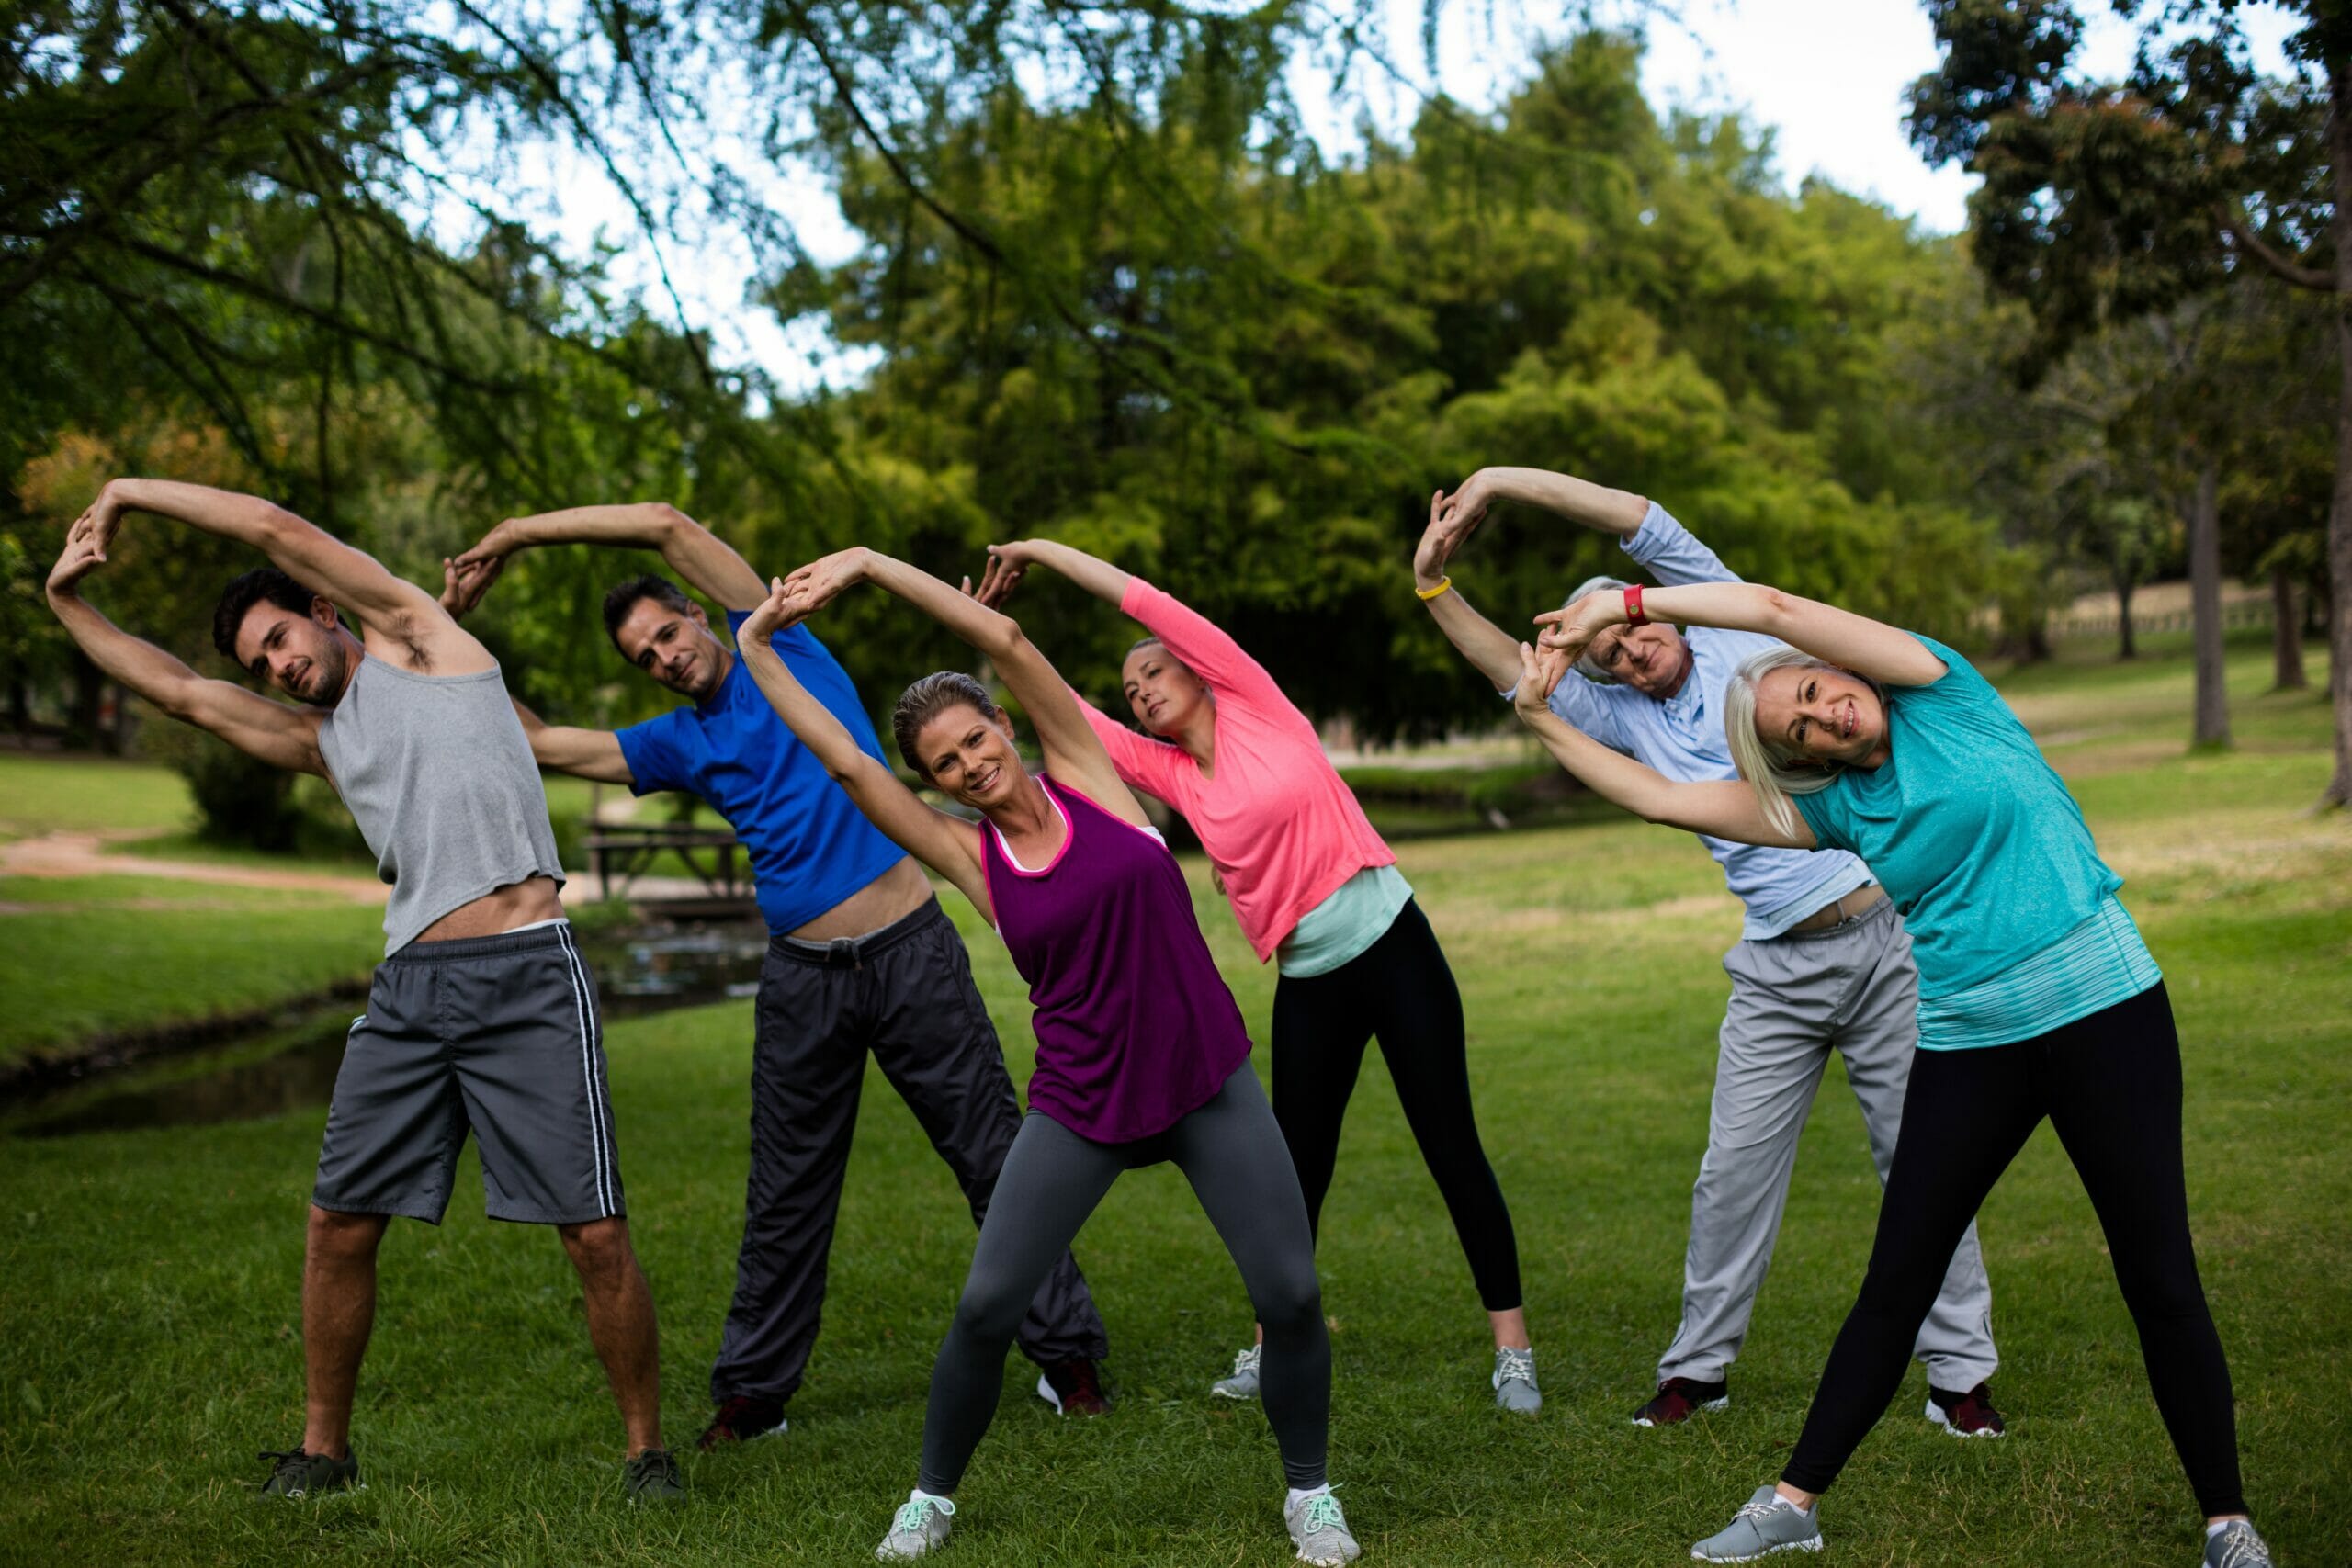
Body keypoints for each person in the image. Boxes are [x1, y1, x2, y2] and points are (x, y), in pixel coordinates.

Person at [1510, 580, 2269, 1568]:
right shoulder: (1833, 814)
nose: (1826, 714)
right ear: (1797, 760)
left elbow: (1776, 613)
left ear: (1842, 675)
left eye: (1819, 692)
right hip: (1966, 1044)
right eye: (1800, 728)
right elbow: (1657, 796)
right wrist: (1535, 714)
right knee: (1895, 1280)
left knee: (2158, 1275)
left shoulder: (1939, 691)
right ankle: (1791, 1506)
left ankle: (2226, 1525)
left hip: (2103, 1012)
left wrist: (1623, 599)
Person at [44, 480, 680, 1504]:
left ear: (324, 611)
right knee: (338, 1220)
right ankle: (324, 1454)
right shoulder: (320, 741)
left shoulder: (421, 641)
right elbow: (178, 694)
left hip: (527, 970)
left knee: (593, 1229)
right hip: (412, 989)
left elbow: (272, 528)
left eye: (282, 639)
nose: (279, 668)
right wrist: (66, 602)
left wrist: (125, 494)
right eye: (262, 664)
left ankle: (647, 1452)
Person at [725, 547, 1358, 1565]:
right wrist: (755, 641)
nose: (971, 765)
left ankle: (1310, 1494)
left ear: (1004, 728)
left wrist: (871, 567)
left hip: (1202, 1078)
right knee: (984, 1308)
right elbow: (843, 760)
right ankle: (931, 1499)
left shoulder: (1094, 781)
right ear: (934, 782)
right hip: (1081, 1101)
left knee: (1288, 1296)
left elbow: (1007, 639)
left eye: (976, 739)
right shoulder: (972, 857)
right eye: (945, 764)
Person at [443, 504, 1111, 1444]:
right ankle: (756, 1396)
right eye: (645, 657)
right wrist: (453, 634)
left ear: (696, 612)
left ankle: (1067, 1356)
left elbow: (666, 525)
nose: (666, 657)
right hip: (804, 977)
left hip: (911, 949)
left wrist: (513, 533)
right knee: (787, 1191)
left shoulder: (779, 644)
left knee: (994, 1157)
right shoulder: (678, 741)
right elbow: (545, 743)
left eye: (668, 632)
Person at [1411, 467, 2004, 1434]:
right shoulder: (1623, 716)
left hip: (1883, 937)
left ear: (1663, 615)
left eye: (1635, 630)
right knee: (1731, 1172)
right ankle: (1697, 1372)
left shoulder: (1734, 626)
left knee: (1922, 1162)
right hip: (1775, 966)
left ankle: (1959, 1379)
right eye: (1612, 656)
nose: (1634, 653)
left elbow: (1633, 518)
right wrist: (1435, 586)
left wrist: (1499, 482)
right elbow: (1510, 674)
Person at [973, 538, 1538, 1414]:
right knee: (1292, 1169)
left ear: (1198, 671)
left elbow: (1144, 600)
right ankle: (1273, 1345)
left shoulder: (1257, 704)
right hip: (1311, 979)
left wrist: (1043, 553)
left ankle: (1514, 1350)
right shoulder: (1166, 771)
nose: (1144, 688)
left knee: (1449, 1143)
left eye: (1156, 672)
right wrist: (988, 632)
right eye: (1132, 690)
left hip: (1394, 945)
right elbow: (1059, 715)